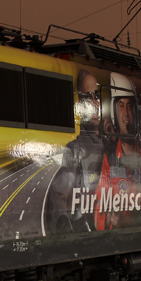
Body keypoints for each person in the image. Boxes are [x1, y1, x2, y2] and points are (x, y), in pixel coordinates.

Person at [94, 72, 141, 230]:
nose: (126, 114)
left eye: (130, 106)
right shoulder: (108, 158)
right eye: (121, 105)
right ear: (115, 113)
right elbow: (99, 203)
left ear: (136, 112)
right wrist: (107, 218)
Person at [46, 69, 105, 233]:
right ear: (79, 103)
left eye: (96, 95)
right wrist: (69, 233)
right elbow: (58, 195)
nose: (94, 102)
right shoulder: (75, 149)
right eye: (87, 97)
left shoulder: (113, 144)